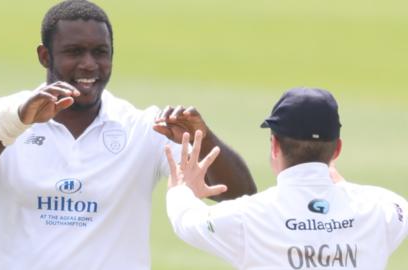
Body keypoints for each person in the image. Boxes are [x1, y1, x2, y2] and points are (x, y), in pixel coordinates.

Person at [0, 1, 256, 269]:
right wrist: (12, 125)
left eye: (100, 52)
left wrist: (206, 139)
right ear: (45, 56)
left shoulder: (143, 128)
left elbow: (242, 197)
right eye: (74, 52)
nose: (90, 65)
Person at [165, 88, 408, 269]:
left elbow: (186, 221)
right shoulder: (379, 209)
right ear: (337, 150)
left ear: (274, 145)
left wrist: (181, 189)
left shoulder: (247, 217)